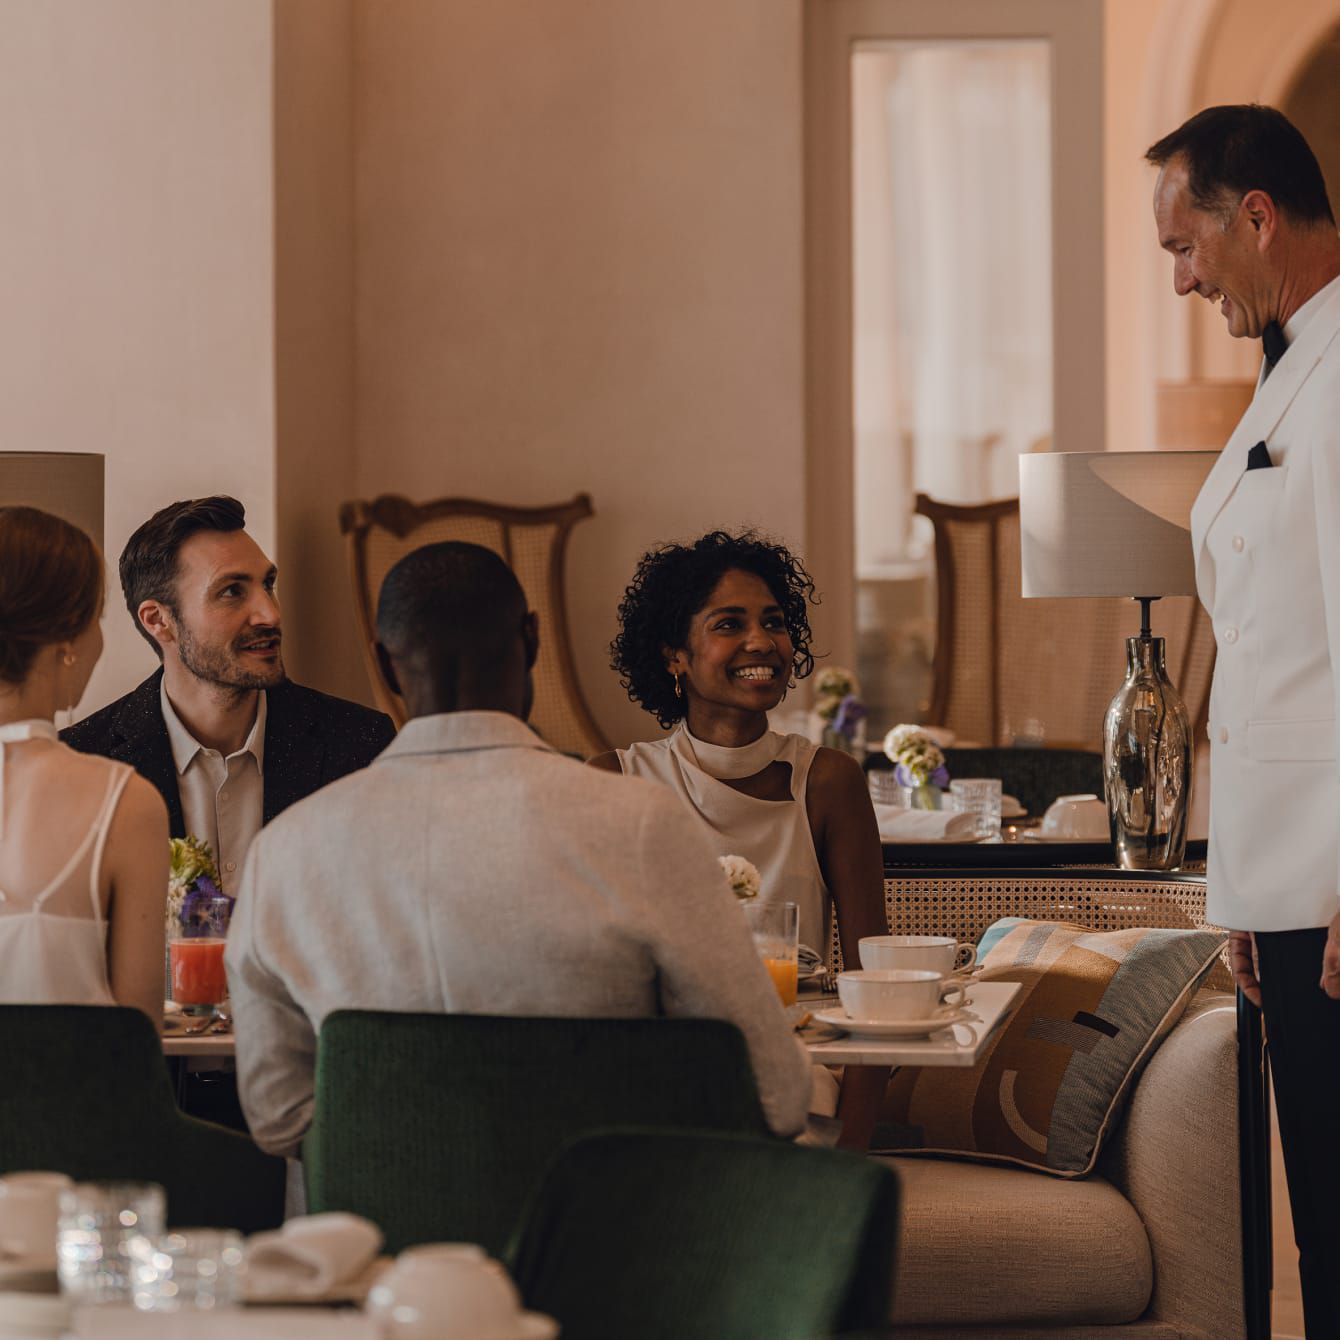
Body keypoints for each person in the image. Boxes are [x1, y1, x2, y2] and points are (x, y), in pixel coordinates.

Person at [225, 540, 812, 1156]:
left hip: (370, 1243)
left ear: (387, 663)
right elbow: (775, 1095)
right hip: (600, 1238)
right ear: (532, 641)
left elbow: (276, 1118)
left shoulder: (286, 850)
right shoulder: (639, 825)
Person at [1148, 103, 1340, 1335]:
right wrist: (1242, 893)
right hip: (1287, 887)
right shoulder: (1290, 369)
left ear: (1253, 216)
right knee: (1316, 1215)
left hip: (1332, 888)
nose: (1180, 280)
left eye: (1184, 247)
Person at [62, 496, 395, 892]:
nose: (270, 614)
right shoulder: (83, 763)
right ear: (159, 621)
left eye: (267, 584)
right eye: (232, 591)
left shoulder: (361, 745)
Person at [592, 531, 886, 968]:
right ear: (675, 656)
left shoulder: (828, 781)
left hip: (802, 1033)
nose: (763, 642)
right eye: (729, 624)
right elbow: (602, 963)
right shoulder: (617, 781)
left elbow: (873, 970)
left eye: (774, 622)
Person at [0, 507, 167, 1019]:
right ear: (68, 642)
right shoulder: (124, 803)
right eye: (97, 618)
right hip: (77, 1099)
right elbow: (136, 1042)